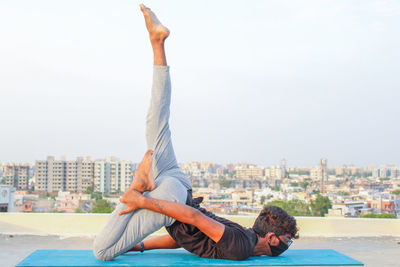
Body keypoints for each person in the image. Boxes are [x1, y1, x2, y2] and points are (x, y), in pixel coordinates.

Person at [93, 4, 298, 262]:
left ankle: (158, 44)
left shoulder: (240, 236)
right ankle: (138, 188)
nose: (288, 244)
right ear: (271, 238)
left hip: (178, 184)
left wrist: (139, 246)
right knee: (102, 252)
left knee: (158, 119)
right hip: (173, 199)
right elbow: (192, 217)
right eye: (287, 240)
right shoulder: (240, 247)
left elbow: (180, 235)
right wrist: (140, 200)